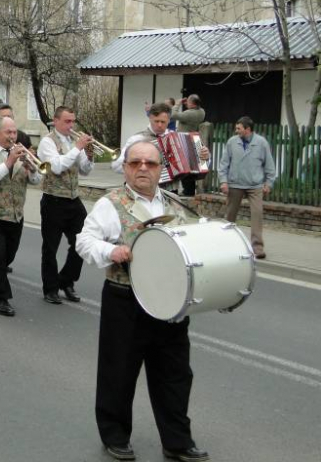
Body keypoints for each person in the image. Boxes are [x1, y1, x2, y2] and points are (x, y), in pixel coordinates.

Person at [76, 140, 209, 462]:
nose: (143, 169)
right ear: (125, 167)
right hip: (126, 301)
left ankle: (177, 441)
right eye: (135, 163)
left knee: (175, 375)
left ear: (161, 168)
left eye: (150, 163)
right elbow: (84, 240)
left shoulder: (176, 205)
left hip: (170, 304)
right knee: (118, 372)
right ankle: (115, 436)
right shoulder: (111, 203)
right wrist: (112, 251)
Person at [0, 116, 42, 317]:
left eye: (14, 132)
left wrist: (31, 169)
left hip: (14, 213)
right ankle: (1, 298)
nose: (13, 136)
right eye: (8, 132)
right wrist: (10, 162)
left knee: (7, 256)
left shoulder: (21, 151)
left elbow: (36, 181)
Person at [37, 106, 94, 304]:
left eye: (73, 121)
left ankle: (66, 280)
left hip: (73, 199)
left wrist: (89, 153)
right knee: (50, 247)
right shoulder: (47, 142)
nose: (71, 125)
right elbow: (58, 166)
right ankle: (50, 289)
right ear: (56, 121)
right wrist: (78, 148)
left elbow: (85, 171)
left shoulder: (72, 141)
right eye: (67, 121)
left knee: (83, 241)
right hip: (53, 199)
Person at [113, 102, 208, 194]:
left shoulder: (178, 138)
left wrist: (205, 157)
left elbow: (202, 164)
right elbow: (116, 166)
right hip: (142, 191)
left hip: (170, 193)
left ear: (169, 120)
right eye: (156, 121)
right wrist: (140, 167)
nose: (159, 125)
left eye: (163, 122)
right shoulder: (137, 139)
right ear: (150, 118)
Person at [219, 116, 275, 260]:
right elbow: (224, 163)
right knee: (230, 215)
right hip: (235, 184)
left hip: (255, 185)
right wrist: (223, 182)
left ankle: (257, 247)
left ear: (247, 129)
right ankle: (226, 244)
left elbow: (269, 164)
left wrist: (269, 183)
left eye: (239, 128)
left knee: (257, 214)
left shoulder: (261, 143)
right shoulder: (232, 142)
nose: (236, 130)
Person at [172, 95, 206, 196]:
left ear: (192, 103)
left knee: (184, 167)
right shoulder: (202, 112)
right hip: (193, 140)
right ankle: (189, 190)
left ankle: (187, 191)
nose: (186, 103)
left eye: (188, 102)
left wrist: (177, 104)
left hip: (184, 141)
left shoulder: (189, 114)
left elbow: (173, 115)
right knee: (190, 167)